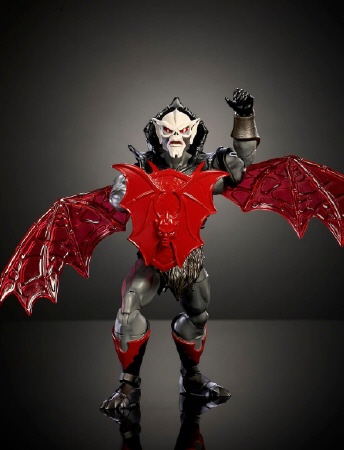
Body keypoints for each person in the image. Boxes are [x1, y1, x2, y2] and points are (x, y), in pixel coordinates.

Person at [100, 88, 260, 411]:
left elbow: (241, 167)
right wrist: (124, 190)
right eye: (168, 130)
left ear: (193, 131)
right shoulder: (144, 167)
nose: (175, 137)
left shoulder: (208, 166)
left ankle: (192, 379)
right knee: (128, 308)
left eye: (182, 130)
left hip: (189, 260)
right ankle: (128, 385)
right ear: (157, 132)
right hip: (153, 257)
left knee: (198, 316)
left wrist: (243, 116)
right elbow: (118, 195)